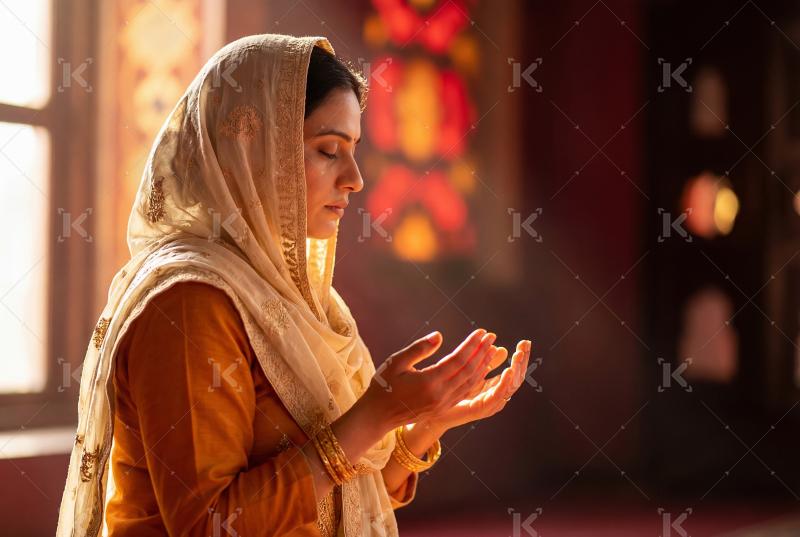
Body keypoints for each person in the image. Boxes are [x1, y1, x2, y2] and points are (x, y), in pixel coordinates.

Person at [56, 33, 531, 537]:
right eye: (329, 150)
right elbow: (208, 526)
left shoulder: (294, 298)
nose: (354, 179)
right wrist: (373, 417)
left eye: (353, 152)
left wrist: (423, 422)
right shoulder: (190, 303)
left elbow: (344, 495)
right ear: (253, 149)